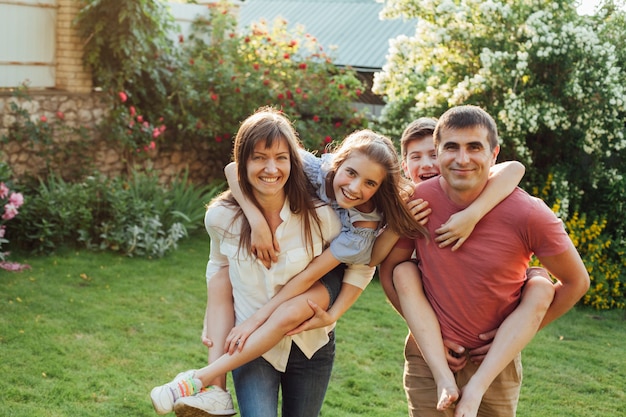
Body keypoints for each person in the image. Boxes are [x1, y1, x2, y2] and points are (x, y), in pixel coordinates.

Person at [152, 117, 427, 416]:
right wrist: (256, 220)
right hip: (261, 337)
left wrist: (329, 313)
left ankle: (199, 380)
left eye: (370, 183)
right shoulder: (309, 169)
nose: (354, 187)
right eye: (350, 172)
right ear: (337, 162)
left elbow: (363, 264)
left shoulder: (349, 224)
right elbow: (235, 168)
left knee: (294, 310)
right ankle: (211, 386)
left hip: (319, 302)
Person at [380, 105, 590, 417]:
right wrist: (431, 338)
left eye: (474, 147)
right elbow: (390, 270)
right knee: (405, 271)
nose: (462, 159)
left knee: (541, 285)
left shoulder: (528, 213)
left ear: (494, 154)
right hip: (429, 361)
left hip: (495, 368)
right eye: (451, 147)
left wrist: (516, 335)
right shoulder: (419, 201)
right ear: (438, 152)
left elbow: (576, 282)